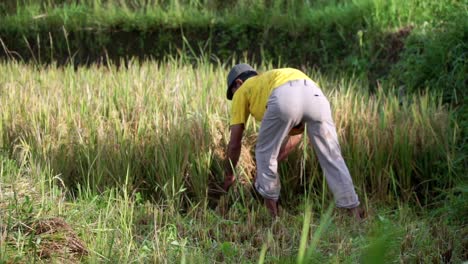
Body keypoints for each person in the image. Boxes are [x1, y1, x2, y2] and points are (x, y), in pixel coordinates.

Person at [223, 63, 363, 219]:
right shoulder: (269, 79)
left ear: (238, 83)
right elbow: (296, 135)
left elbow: (235, 142)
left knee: (263, 152)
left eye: (233, 93)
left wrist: (229, 174)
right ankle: (354, 212)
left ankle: (272, 216)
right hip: (316, 95)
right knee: (332, 156)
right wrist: (271, 163)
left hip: (284, 96)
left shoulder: (243, 89)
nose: (235, 96)